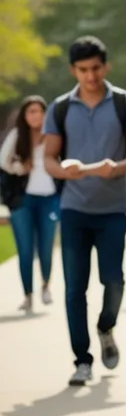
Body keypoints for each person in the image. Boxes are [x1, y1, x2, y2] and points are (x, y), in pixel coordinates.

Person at [42, 36, 126, 387]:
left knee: (113, 279)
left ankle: (106, 325)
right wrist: (64, 170)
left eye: (96, 68)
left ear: (106, 66)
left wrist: (114, 167)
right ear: (74, 70)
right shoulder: (59, 108)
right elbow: (48, 159)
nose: (90, 76)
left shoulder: (124, 103)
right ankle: (82, 360)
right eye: (83, 70)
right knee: (75, 287)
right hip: (74, 209)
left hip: (113, 209)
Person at [1, 96, 60, 312]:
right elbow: (3, 161)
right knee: (25, 250)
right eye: (30, 112)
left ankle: (45, 285)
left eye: (38, 111)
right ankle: (27, 294)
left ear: (45, 114)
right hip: (23, 200)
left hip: (49, 198)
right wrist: (20, 168)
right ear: (24, 116)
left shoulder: (53, 136)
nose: (35, 115)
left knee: (46, 247)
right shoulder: (18, 136)